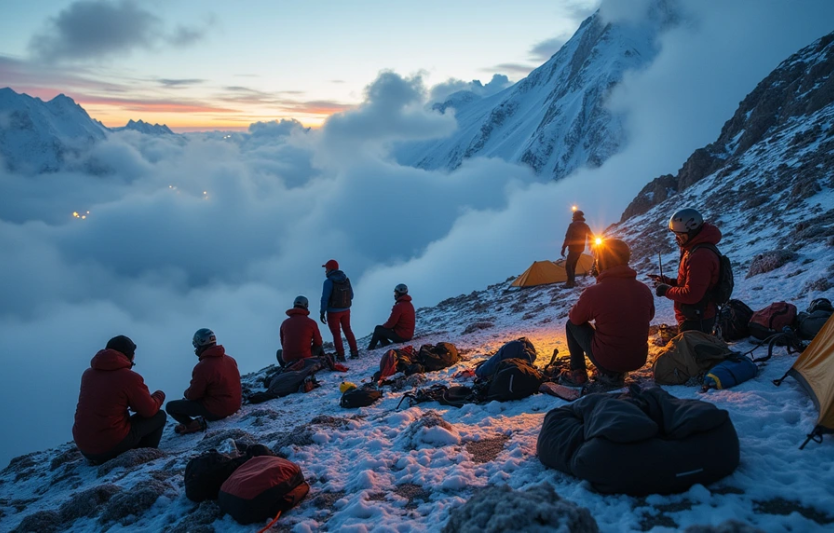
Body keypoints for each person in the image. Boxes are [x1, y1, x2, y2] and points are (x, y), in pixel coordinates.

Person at [560, 239, 655, 387]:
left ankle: (578, 373)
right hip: (638, 360)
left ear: (601, 262)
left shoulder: (594, 292)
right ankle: (614, 367)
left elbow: (575, 318)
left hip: (609, 361)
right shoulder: (644, 289)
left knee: (571, 325)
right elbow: (649, 316)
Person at [72, 335, 166, 464]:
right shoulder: (128, 377)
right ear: (128, 355)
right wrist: (159, 395)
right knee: (159, 416)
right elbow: (149, 410)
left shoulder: (88, 374)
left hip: (84, 447)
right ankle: (144, 455)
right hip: (108, 447)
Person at [651, 208, 722, 333]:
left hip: (697, 319)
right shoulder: (694, 250)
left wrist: (666, 290)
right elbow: (693, 283)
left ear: (691, 232)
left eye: (679, 235)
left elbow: (692, 295)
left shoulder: (700, 256)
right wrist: (669, 282)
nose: (676, 239)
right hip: (694, 315)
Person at [166, 328, 242, 435]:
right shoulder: (230, 359)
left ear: (201, 344)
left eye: (196, 345)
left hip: (219, 410)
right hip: (235, 405)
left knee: (171, 407)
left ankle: (193, 425)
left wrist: (186, 394)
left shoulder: (203, 367)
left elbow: (193, 395)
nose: (195, 349)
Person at [320, 259, 359, 361]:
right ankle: (354, 352)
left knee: (336, 333)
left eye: (326, 268)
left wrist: (322, 312)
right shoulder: (346, 279)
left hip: (333, 311)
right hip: (346, 310)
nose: (325, 271)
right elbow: (351, 295)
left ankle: (341, 356)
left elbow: (325, 298)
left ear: (330, 269)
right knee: (348, 329)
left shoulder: (328, 282)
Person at [278, 295, 324, 366]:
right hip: (305, 358)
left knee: (279, 353)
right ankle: (320, 362)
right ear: (306, 306)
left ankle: (286, 367)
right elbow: (318, 342)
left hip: (288, 358)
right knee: (319, 346)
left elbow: (283, 343)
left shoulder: (284, 323)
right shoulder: (311, 323)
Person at [368, 283, 415, 350]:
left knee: (378, 329)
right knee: (381, 330)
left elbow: (391, 323)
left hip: (402, 336)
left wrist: (383, 327)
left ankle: (370, 348)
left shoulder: (399, 306)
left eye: (395, 293)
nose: (394, 295)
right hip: (408, 335)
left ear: (399, 294)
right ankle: (385, 345)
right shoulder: (409, 304)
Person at [561, 210, 593, 288]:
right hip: (581, 248)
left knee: (568, 265)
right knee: (573, 265)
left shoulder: (572, 225)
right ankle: (572, 281)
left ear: (575, 216)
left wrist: (563, 248)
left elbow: (567, 237)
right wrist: (591, 246)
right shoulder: (585, 225)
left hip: (573, 248)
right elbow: (591, 236)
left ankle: (570, 283)